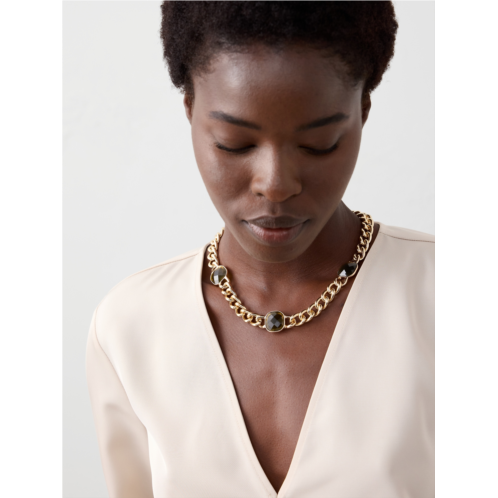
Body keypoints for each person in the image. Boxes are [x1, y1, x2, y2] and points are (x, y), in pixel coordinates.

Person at [87, 1, 435, 497]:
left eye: (320, 143)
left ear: (363, 111)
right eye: (234, 143)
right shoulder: (130, 328)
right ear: (189, 109)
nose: (275, 184)